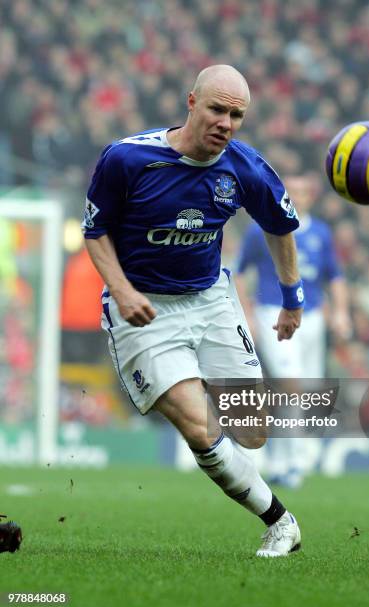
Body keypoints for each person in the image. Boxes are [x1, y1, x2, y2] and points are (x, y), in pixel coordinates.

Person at [83, 65, 305, 557]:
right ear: (191, 102)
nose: (225, 122)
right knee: (200, 425)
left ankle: (194, 381)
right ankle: (280, 522)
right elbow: (95, 233)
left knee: (252, 432)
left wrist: (292, 298)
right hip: (144, 312)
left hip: (211, 301)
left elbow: (280, 225)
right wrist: (120, 290)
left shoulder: (245, 168)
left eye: (236, 115)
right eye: (217, 109)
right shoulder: (127, 158)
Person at [236, 174, 351, 488]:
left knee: (304, 392)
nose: (297, 197)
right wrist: (246, 315)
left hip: (312, 318)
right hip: (273, 313)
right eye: (291, 191)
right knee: (292, 385)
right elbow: (237, 272)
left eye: (302, 191)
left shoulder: (321, 233)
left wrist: (340, 313)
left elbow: (335, 277)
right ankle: (290, 464)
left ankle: (284, 459)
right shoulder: (261, 229)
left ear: (311, 195)